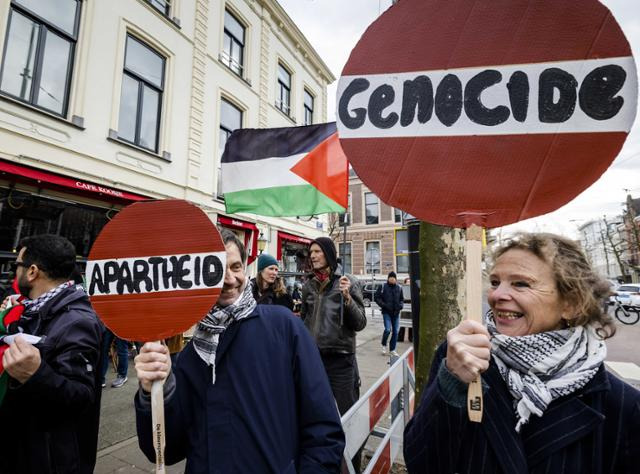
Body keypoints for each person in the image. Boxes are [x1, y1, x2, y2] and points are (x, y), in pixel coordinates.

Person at [404, 233, 640, 473]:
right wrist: (452, 382)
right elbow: (420, 463)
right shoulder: (458, 357)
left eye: (521, 284)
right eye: (495, 282)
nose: (496, 295)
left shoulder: (621, 407)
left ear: (572, 304)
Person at [134, 229, 344, 472]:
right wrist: (155, 393)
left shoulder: (284, 327)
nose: (229, 279)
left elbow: (324, 429)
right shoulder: (190, 357)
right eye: (215, 270)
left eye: (235, 267)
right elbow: (166, 450)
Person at [0, 234, 103, 474]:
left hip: (49, 460)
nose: (16, 272)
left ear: (32, 272)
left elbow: (81, 397)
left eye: (18, 266)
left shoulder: (77, 320)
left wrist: (36, 374)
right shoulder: (30, 307)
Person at [300, 237, 366, 471]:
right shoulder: (307, 284)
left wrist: (347, 298)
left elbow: (360, 323)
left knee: (349, 418)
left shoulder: (347, 282)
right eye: (311, 252)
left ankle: (353, 466)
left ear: (329, 254)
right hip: (314, 361)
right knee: (315, 415)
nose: (313, 256)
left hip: (341, 362)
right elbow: (306, 318)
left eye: (317, 251)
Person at [375, 271, 404, 356]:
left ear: (395, 279)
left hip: (396, 313)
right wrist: (384, 305)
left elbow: (402, 299)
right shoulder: (383, 286)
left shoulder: (399, 287)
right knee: (388, 329)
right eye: (390, 278)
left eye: (393, 278)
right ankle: (384, 344)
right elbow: (377, 298)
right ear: (388, 278)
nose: (392, 279)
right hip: (386, 312)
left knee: (396, 331)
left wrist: (400, 305)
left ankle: (392, 349)